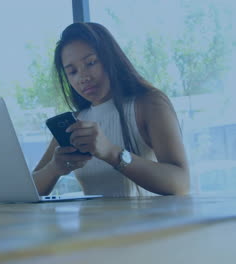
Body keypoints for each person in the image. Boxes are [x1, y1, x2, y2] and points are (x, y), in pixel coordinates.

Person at [32, 22, 190, 197]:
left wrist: (111, 153)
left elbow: (181, 183)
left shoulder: (149, 104)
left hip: (148, 224)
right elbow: (28, 190)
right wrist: (54, 169)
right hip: (94, 224)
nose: (83, 77)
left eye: (91, 63)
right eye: (72, 72)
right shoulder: (75, 122)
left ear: (111, 58)